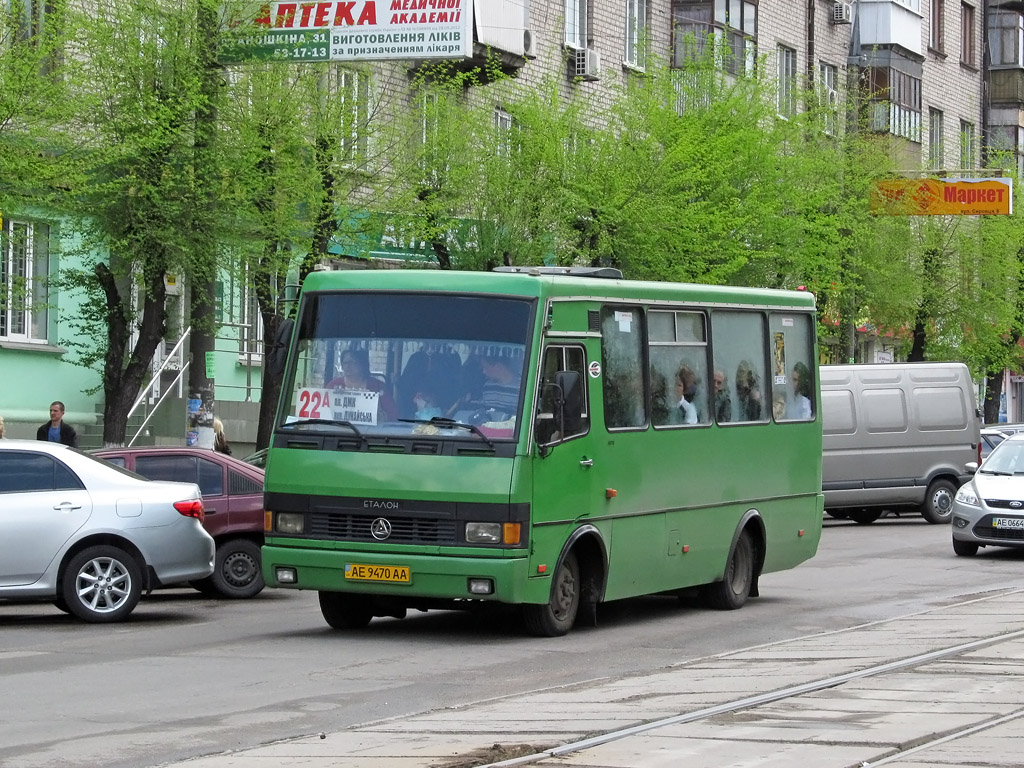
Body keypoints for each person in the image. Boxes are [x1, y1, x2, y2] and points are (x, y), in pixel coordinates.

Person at [326, 347, 396, 421]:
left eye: (352, 362)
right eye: (345, 362)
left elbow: (392, 416)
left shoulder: (378, 387)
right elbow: (324, 413)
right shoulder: (333, 385)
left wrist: (377, 410)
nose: (348, 366)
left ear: (362, 364)